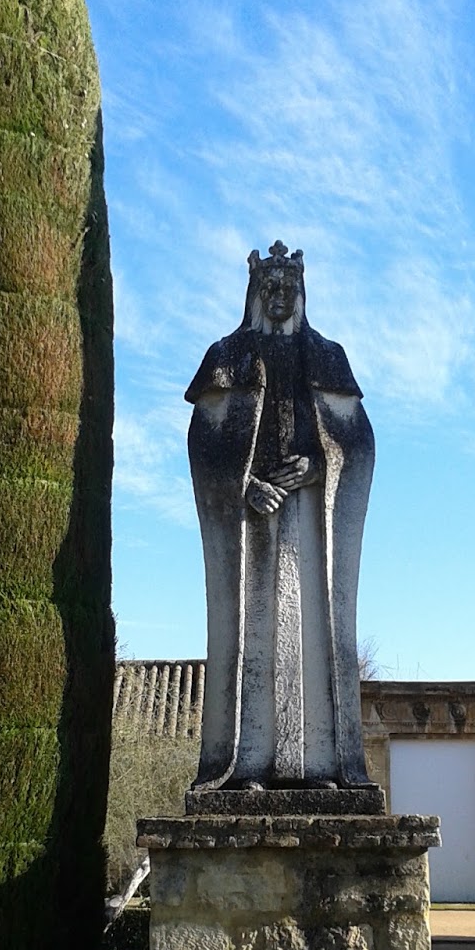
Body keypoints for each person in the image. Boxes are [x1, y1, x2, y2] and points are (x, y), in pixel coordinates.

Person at [186, 240, 375, 792]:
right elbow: (204, 442)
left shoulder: (328, 356)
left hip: (312, 519)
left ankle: (321, 767)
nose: (278, 297)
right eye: (268, 287)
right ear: (253, 292)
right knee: (250, 635)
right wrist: (242, 486)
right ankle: (243, 767)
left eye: (287, 287)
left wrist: (318, 468)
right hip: (250, 524)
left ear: (301, 291)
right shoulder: (227, 356)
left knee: (314, 632)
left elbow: (357, 443)